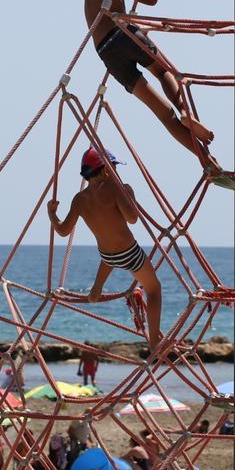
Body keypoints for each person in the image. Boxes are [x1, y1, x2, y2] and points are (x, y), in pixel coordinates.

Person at [83, 0, 218, 171]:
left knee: (164, 115)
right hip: (122, 33)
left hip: (107, 53)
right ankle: (184, 110)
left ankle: (208, 162)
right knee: (163, 71)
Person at [49, 147, 164, 348]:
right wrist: (129, 194)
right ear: (106, 170)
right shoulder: (116, 188)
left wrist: (52, 213)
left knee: (109, 258)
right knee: (154, 290)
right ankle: (154, 339)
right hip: (130, 253)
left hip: (107, 255)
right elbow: (133, 218)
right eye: (115, 167)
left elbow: (63, 230)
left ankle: (96, 289)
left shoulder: (79, 199)